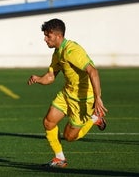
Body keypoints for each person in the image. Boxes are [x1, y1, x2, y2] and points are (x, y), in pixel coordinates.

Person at [27, 18, 108, 168]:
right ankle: (59, 158)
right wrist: (38, 79)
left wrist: (98, 98)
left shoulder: (72, 51)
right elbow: (51, 77)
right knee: (48, 122)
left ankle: (94, 118)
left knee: (69, 137)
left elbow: (93, 71)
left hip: (83, 99)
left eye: (47, 36)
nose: (45, 39)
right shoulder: (57, 53)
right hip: (67, 94)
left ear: (58, 36)